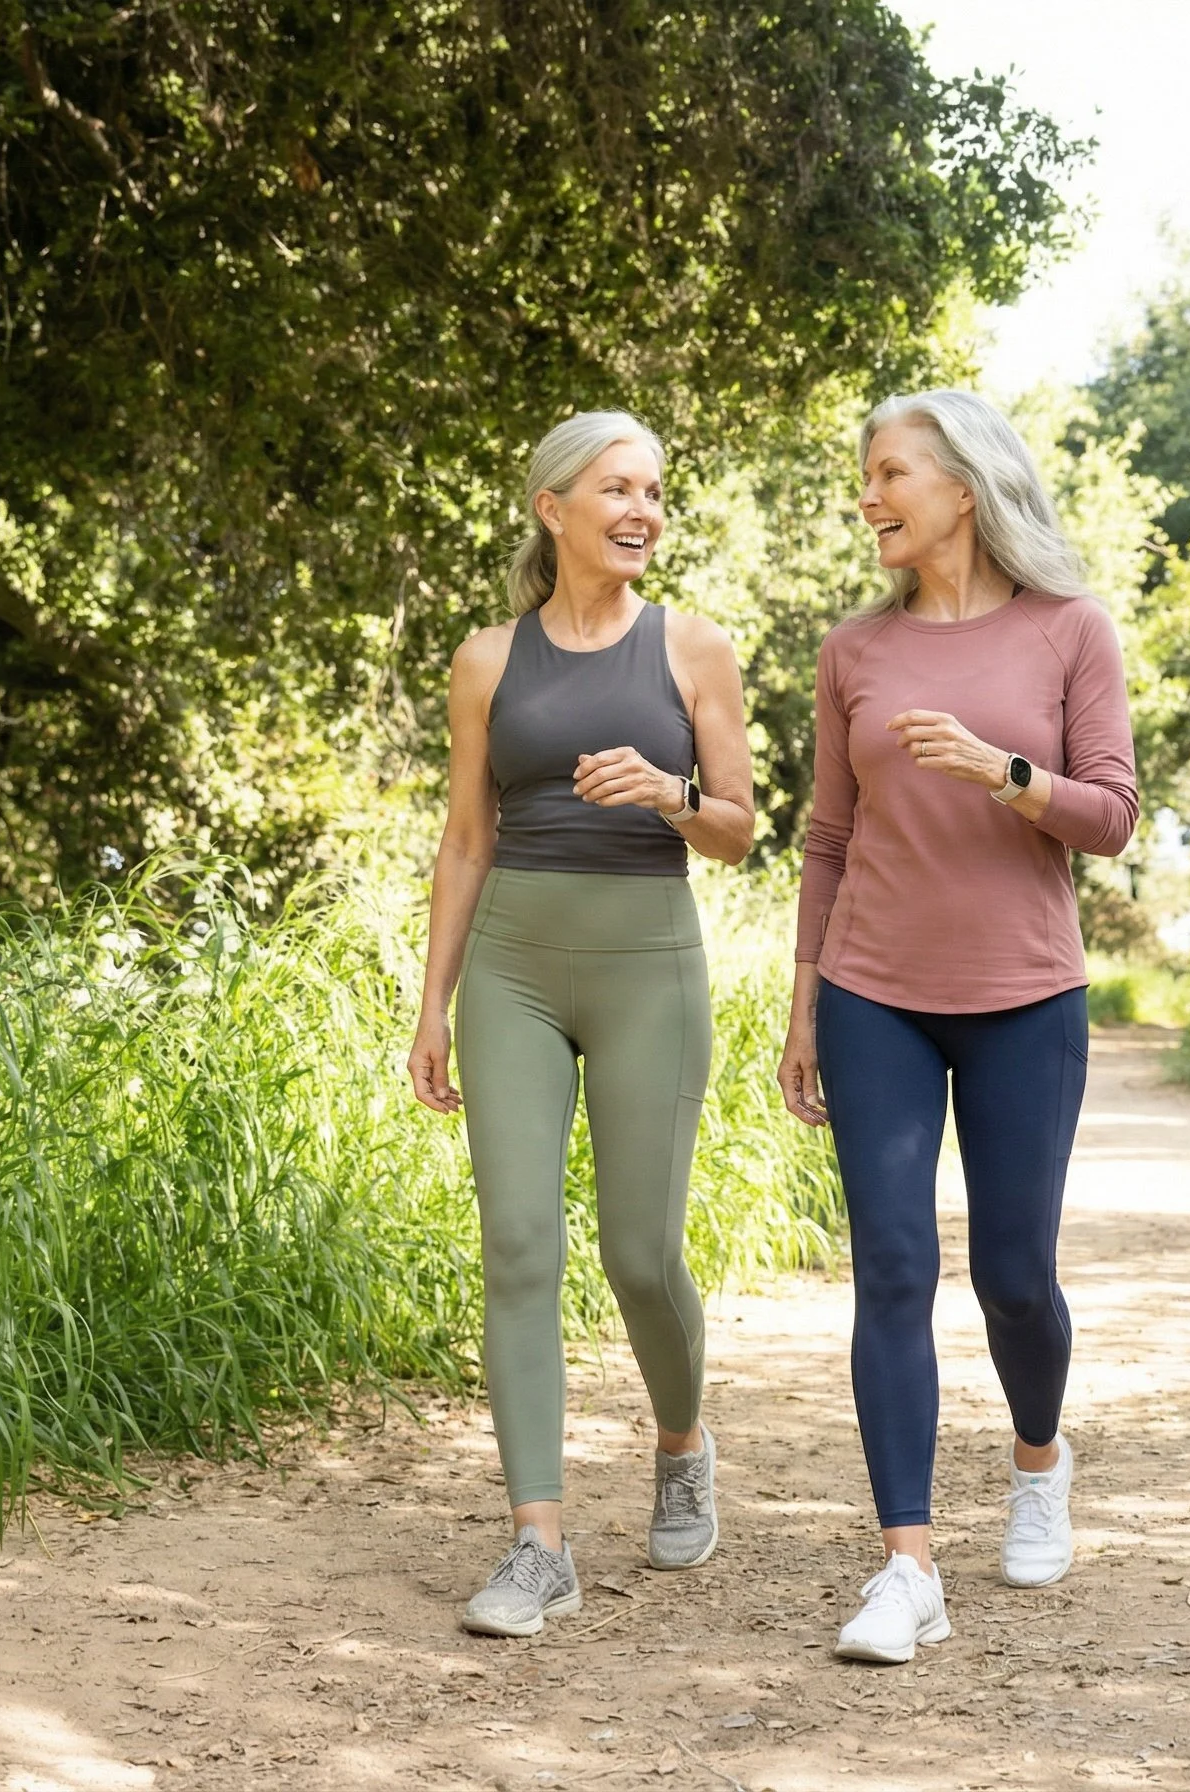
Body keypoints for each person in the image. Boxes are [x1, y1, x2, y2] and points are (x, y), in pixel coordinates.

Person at [777, 389, 1139, 1664]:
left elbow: (1113, 814)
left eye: (888, 474)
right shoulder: (853, 652)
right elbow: (827, 839)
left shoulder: (1069, 630)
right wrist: (806, 998)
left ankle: (1039, 1460)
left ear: (965, 488)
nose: (867, 496)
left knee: (1013, 1276)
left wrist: (1006, 772)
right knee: (889, 1267)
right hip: (875, 986)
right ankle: (906, 1565)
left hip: (1026, 994)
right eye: (865, 476)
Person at [408, 410, 757, 1638]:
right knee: (516, 1246)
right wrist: (433, 1000)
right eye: (617, 487)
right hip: (510, 966)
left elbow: (740, 829)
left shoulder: (695, 649)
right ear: (552, 507)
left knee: (640, 1252)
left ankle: (680, 1441)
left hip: (646, 962)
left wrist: (671, 794)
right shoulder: (487, 660)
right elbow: (466, 839)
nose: (642, 509)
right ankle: (537, 1539)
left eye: (655, 490)